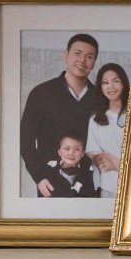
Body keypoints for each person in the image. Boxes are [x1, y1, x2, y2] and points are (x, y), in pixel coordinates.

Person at [20, 33, 101, 198]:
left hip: (91, 184)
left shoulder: (100, 98)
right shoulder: (41, 93)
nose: (82, 60)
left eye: (89, 56)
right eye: (77, 53)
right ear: (66, 56)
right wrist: (39, 177)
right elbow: (25, 140)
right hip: (50, 184)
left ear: (93, 63)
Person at [85, 63, 130, 199]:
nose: (110, 87)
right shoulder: (95, 120)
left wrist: (116, 163)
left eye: (115, 81)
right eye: (105, 83)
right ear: (100, 87)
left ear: (123, 84)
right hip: (108, 188)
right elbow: (94, 152)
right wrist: (101, 160)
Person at [36, 132, 97, 198]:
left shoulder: (87, 173)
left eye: (76, 149)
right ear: (59, 151)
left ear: (82, 153)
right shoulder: (49, 169)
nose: (71, 153)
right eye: (66, 148)